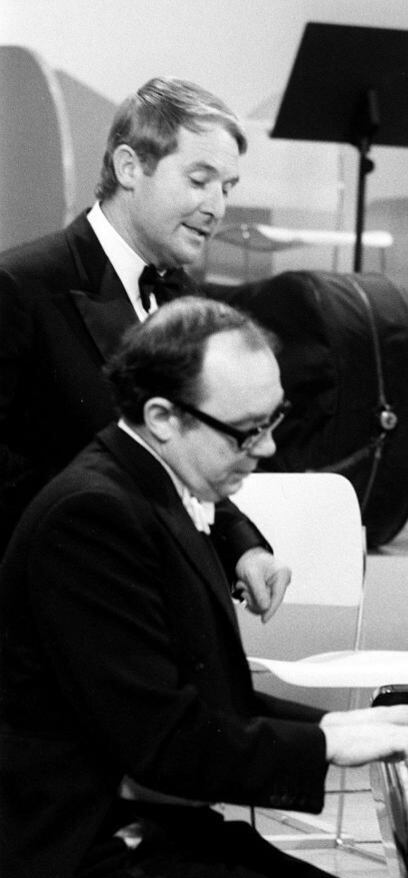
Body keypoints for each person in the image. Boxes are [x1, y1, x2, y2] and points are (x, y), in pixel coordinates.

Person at [0, 296, 408, 878]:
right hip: (75, 864)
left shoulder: (159, 486)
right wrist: (329, 743)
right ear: (161, 418)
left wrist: (334, 726)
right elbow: (169, 745)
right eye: (245, 432)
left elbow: (198, 706)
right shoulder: (92, 519)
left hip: (143, 824)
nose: (266, 449)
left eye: (273, 422)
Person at [0, 76, 286, 624]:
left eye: (228, 186)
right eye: (200, 181)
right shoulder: (20, 287)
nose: (217, 206)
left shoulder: (182, 296)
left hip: (149, 604)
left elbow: (182, 455)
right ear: (130, 167)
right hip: (52, 608)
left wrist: (241, 545)